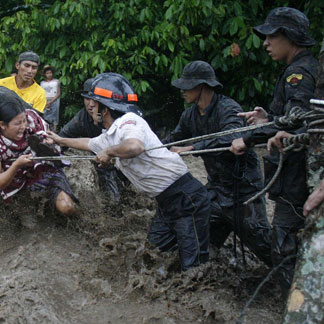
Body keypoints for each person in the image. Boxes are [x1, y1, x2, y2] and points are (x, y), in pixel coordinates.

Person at [48, 73, 210, 271]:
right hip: (167, 202)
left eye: (94, 104)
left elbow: (134, 147)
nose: (89, 106)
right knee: (151, 256)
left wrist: (109, 152)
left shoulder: (129, 122)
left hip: (186, 198)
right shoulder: (109, 134)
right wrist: (59, 140)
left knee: (193, 268)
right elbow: (88, 143)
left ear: (105, 110)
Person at [229, 7, 318, 291]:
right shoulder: (304, 68)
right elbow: (296, 119)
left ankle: (297, 318)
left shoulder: (299, 73)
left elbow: (298, 122)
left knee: (284, 246)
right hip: (302, 174)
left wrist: (248, 138)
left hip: (298, 175)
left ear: (290, 37)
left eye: (271, 36)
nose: (265, 43)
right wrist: (267, 119)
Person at [165, 61, 272, 266]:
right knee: (197, 241)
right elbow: (173, 139)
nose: (182, 91)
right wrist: (142, 150)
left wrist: (192, 148)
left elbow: (230, 138)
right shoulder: (189, 115)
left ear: (202, 86)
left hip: (244, 191)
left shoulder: (229, 109)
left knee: (264, 245)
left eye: (187, 86)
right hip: (216, 191)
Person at [0, 99, 77, 216]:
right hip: (15, 183)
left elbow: (51, 141)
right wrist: (16, 165)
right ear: (2, 125)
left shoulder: (32, 119)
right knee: (29, 221)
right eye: (17, 124)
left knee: (66, 207)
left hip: (45, 169)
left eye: (24, 121)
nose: (23, 126)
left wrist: (48, 143)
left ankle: (80, 218)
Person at [59, 78, 123, 203]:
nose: (91, 104)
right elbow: (62, 138)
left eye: (95, 99)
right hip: (102, 161)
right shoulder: (82, 118)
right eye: (87, 99)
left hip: (124, 156)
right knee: (113, 200)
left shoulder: (119, 115)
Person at [40, 65, 61, 131]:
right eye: (47, 73)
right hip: (45, 100)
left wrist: (51, 101)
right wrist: (45, 102)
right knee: (44, 115)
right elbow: (41, 93)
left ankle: (54, 131)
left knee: (55, 115)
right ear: (44, 74)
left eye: (50, 73)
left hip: (54, 100)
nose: (49, 75)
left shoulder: (56, 82)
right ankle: (46, 130)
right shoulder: (42, 83)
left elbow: (58, 93)